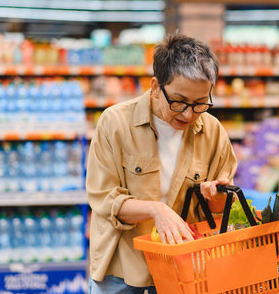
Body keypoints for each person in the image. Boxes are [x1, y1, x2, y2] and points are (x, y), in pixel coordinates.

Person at [86, 33, 237, 293]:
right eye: (178, 102)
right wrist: (157, 210)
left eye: (201, 103)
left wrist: (216, 196)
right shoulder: (116, 124)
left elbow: (221, 212)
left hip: (185, 269)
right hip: (122, 268)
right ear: (156, 86)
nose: (189, 114)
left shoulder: (213, 133)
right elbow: (104, 199)